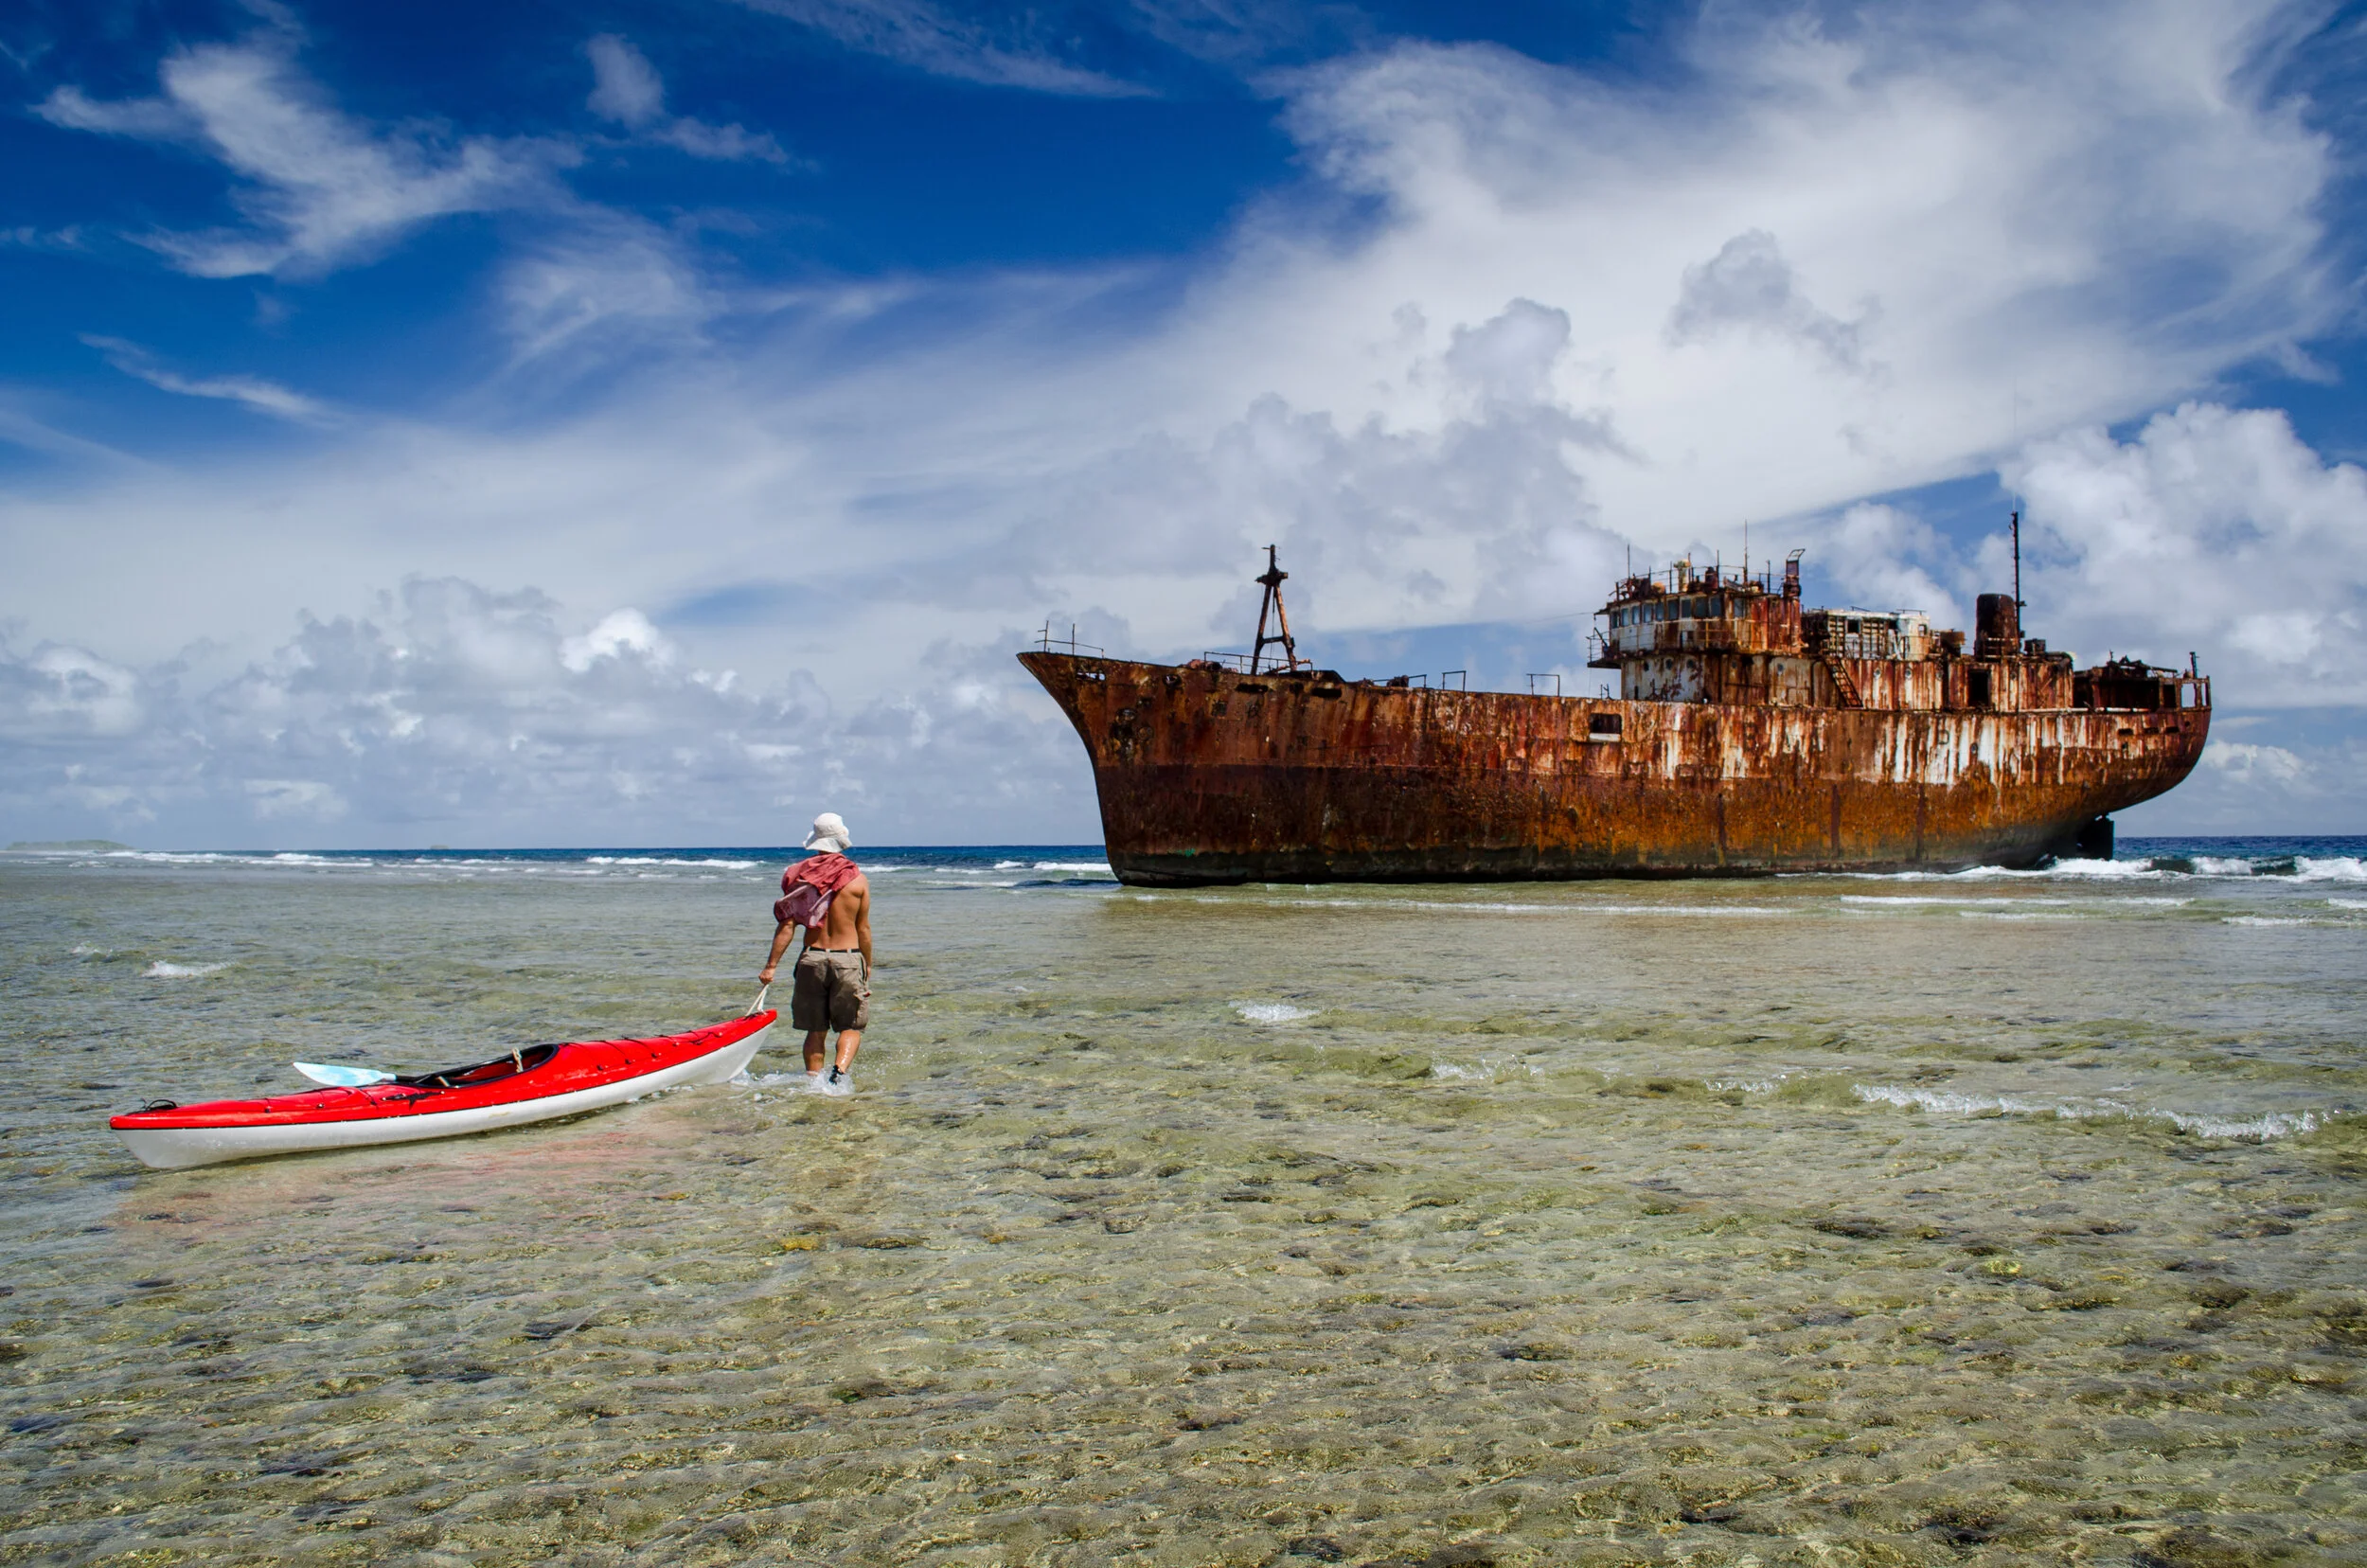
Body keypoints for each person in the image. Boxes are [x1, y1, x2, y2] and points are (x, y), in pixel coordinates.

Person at [758, 812, 873, 1096]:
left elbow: (787, 925)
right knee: (850, 1026)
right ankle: (839, 1075)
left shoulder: (799, 876)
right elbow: (864, 930)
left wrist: (771, 967)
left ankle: (813, 1084)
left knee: (815, 1030)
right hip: (848, 958)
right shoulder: (858, 881)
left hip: (811, 958)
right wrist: (867, 965)